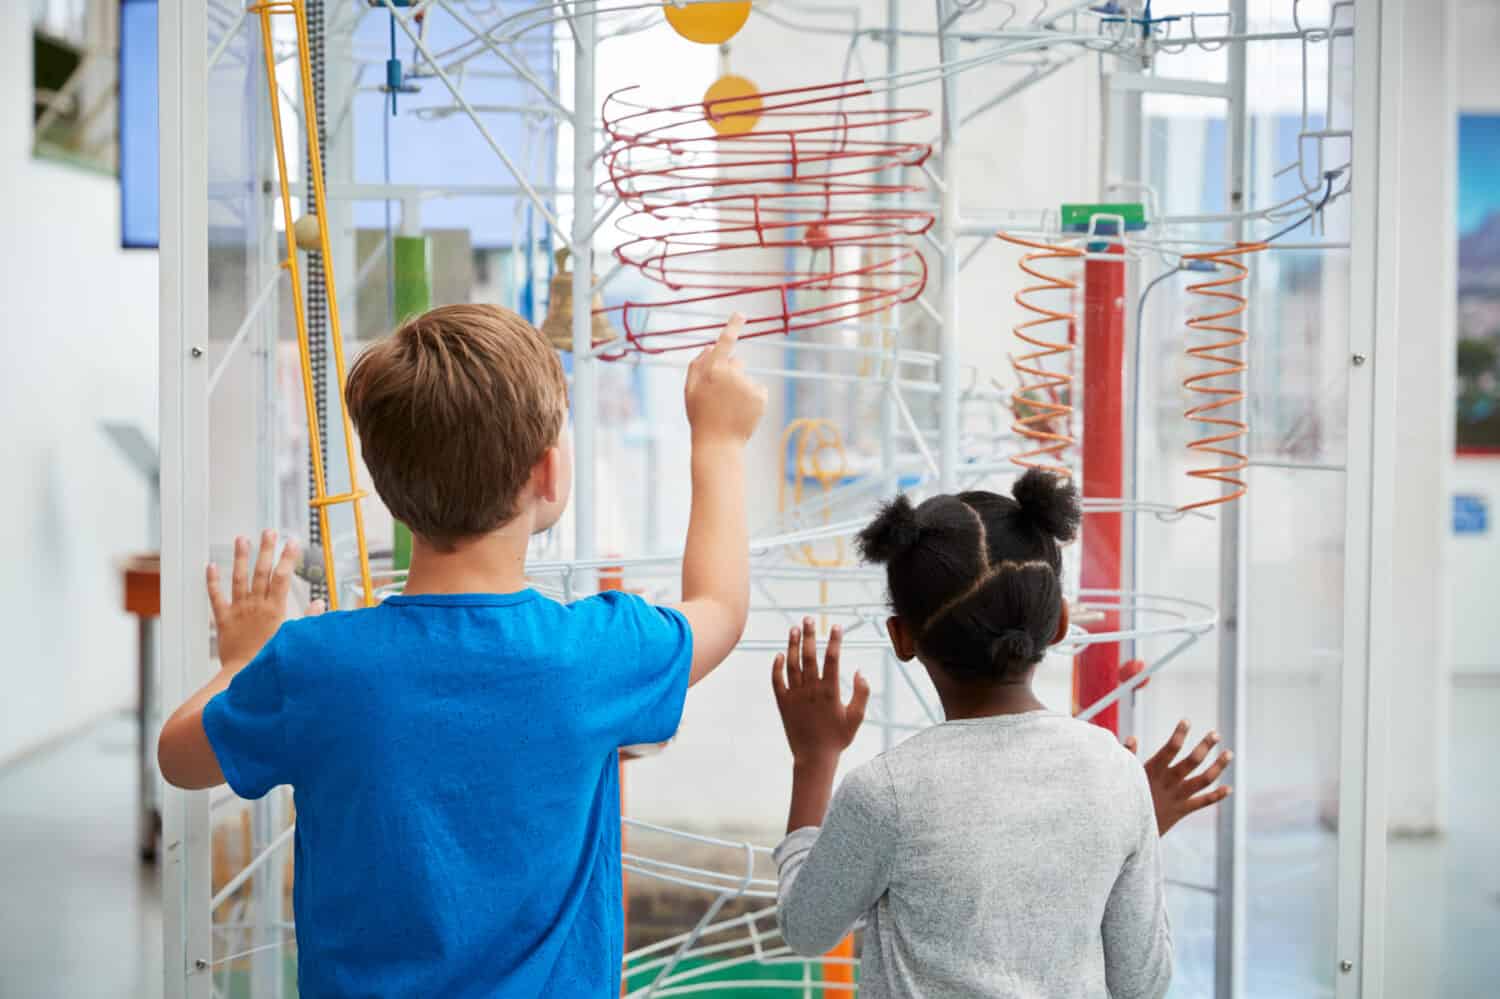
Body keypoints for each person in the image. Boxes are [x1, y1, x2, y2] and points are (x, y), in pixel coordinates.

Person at [158, 306, 767, 997]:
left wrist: (242, 658)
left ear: (386, 481)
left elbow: (178, 756)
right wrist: (717, 441)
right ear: (547, 473)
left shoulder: (316, 664)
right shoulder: (591, 655)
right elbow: (719, 607)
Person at [770, 469, 1233, 999]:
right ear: (1059, 623)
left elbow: (806, 930)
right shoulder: (1118, 777)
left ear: (901, 637)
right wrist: (1135, 828)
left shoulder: (886, 794)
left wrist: (813, 759)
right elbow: (1142, 984)